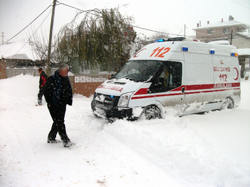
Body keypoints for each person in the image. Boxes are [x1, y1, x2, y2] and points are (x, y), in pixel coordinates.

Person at [44, 64, 73, 147]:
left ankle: (51, 137)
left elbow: (67, 89)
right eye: (66, 70)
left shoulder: (65, 78)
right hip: (54, 105)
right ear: (61, 71)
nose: (67, 72)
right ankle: (65, 140)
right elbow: (46, 92)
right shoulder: (52, 79)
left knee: (58, 121)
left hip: (62, 104)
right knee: (59, 122)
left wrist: (68, 99)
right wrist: (49, 102)